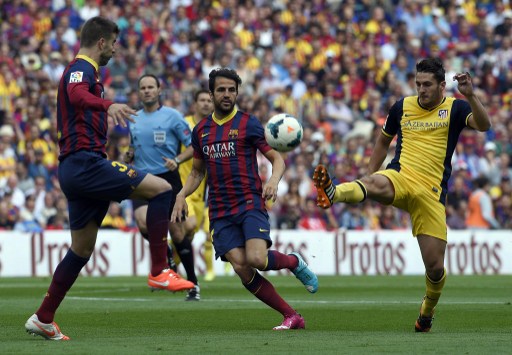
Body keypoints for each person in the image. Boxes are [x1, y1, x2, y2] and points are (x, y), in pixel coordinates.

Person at [25, 17, 180, 341]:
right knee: (162, 188)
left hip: (76, 167)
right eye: (113, 42)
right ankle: (158, 271)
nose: (114, 48)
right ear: (101, 42)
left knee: (81, 249)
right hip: (85, 164)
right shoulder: (80, 69)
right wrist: (109, 105)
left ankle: (43, 317)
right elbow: (78, 95)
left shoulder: (88, 72)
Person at [313, 58, 492, 333]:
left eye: (428, 85)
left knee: (434, 268)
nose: (421, 89)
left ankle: (427, 311)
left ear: (442, 86)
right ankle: (333, 192)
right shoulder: (402, 106)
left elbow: (483, 125)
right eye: (418, 84)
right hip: (401, 176)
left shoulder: (455, 108)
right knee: (379, 185)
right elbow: (383, 141)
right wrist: (370, 176)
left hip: (431, 193)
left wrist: (470, 95)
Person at [171, 67, 319, 330]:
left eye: (231, 90)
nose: (227, 95)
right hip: (219, 210)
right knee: (241, 267)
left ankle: (293, 261)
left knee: (257, 259)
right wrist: (181, 194)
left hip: (249, 202)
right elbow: (196, 171)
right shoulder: (201, 130)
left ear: (237, 92)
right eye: (221, 90)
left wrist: (273, 180)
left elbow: (277, 158)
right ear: (212, 93)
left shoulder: (248, 123)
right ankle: (291, 316)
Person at [125, 74, 198, 300]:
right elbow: (133, 144)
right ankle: (164, 252)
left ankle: (193, 283)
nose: (146, 91)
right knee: (142, 221)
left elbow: (193, 146)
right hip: (141, 178)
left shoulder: (173, 117)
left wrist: (177, 160)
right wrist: (129, 154)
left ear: (159, 90)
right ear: (139, 92)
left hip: (168, 178)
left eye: (150, 87)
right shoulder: (133, 117)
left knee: (177, 232)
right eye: (143, 88)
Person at [178, 89, 216, 284]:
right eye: (201, 100)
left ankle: (171, 263)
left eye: (209, 101)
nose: (206, 104)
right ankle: (171, 261)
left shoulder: (214, 127)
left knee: (190, 235)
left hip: (202, 193)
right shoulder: (183, 123)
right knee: (191, 225)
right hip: (183, 188)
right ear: (194, 103)